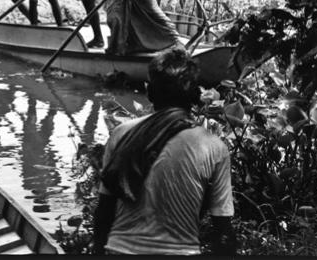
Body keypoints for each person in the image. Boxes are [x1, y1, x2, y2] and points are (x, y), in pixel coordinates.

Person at [91, 47, 236, 255]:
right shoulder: (214, 147)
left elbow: (104, 212)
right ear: (196, 96)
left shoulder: (122, 133)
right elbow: (223, 229)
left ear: (149, 92)